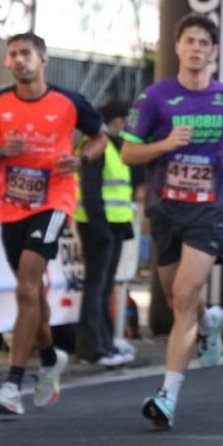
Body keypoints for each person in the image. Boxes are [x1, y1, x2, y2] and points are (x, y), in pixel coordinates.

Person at [121, 14, 223, 429]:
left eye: (203, 42)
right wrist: (165, 144)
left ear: (213, 51)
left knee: (181, 297)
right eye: (189, 41)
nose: (196, 48)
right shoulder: (156, 97)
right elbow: (128, 153)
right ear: (176, 47)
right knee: (182, 300)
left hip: (210, 209)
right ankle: (212, 321)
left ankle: (168, 395)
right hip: (165, 210)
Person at [0, 35, 106, 415]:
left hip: (54, 202)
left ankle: (12, 384)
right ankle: (48, 357)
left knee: (28, 285)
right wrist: (0, 152)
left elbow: (101, 137)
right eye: (12, 55)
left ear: (43, 59)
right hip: (12, 209)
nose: (18, 60)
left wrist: (81, 161)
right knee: (31, 295)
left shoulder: (67, 101)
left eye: (25, 53)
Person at [74, 99, 137, 368]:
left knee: (104, 288)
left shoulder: (113, 145)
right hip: (99, 224)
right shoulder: (97, 144)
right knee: (97, 287)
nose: (126, 124)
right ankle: (93, 348)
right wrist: (101, 227)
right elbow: (90, 190)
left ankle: (105, 343)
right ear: (114, 120)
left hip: (113, 225)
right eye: (123, 119)